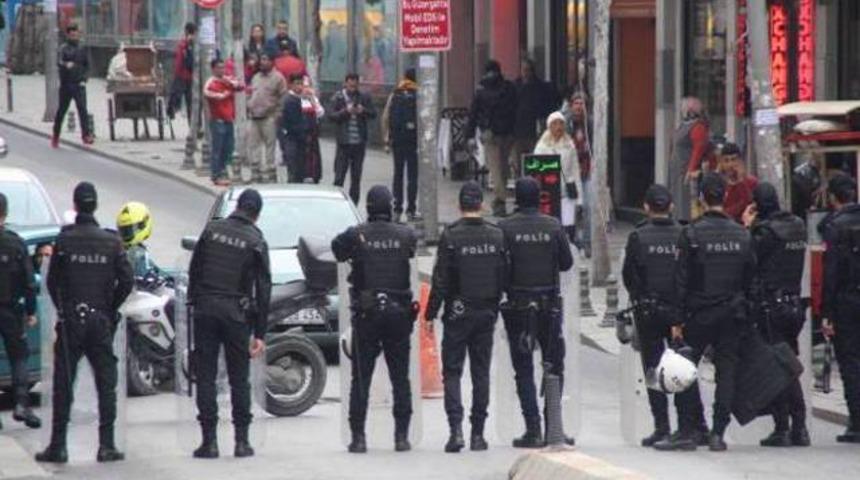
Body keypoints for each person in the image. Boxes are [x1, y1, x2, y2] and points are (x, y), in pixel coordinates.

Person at [36, 182, 134, 464]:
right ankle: (106, 445)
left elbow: (52, 282)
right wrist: (109, 308)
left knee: (64, 384)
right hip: (100, 320)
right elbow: (126, 281)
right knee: (106, 383)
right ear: (96, 205)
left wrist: (64, 310)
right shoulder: (111, 242)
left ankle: (58, 446)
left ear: (76, 205)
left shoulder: (64, 240)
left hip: (71, 322)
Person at [669, 173, 755, 452]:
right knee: (726, 372)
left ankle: (694, 427)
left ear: (702, 199)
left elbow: (681, 281)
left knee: (685, 368)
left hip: (699, 313)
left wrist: (677, 320)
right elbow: (750, 278)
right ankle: (718, 432)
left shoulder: (691, 233)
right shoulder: (742, 234)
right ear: (725, 197)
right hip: (732, 314)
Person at [331, 185, 418, 454]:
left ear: (367, 208)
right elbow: (412, 251)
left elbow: (337, 250)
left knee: (361, 378)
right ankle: (401, 437)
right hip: (398, 315)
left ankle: (358, 438)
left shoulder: (356, 235)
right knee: (400, 378)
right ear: (391, 207)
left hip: (367, 316)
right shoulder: (406, 234)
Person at [187, 189, 271, 459]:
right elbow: (264, 288)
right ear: (256, 214)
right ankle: (242, 442)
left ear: (237, 206)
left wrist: (194, 304)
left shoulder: (212, 230)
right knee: (239, 379)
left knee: (207, 377)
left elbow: (195, 269)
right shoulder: (256, 239)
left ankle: (209, 442)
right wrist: (260, 332)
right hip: (236, 314)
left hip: (206, 310)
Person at [426, 181, 508, 453]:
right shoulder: (496, 236)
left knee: (452, 371)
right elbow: (504, 276)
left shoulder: (451, 236)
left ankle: (456, 431)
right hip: (486, 312)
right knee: (480, 372)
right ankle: (478, 435)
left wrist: (430, 314)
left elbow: (440, 280)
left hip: (458, 313)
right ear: (481, 205)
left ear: (459, 205)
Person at [499, 178, 574, 448]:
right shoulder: (553, 226)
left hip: (519, 306)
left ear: (516, 199)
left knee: (523, 369)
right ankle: (553, 426)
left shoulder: (505, 227)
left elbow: (500, 269)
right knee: (554, 367)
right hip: (549, 307)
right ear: (539, 198)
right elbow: (566, 263)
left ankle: (533, 429)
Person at [741, 182, 810, 447]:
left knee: (779, 369)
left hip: (770, 307)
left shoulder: (765, 232)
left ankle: (786, 427)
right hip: (793, 305)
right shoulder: (798, 226)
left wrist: (748, 226)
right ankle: (798, 427)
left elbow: (749, 260)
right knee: (788, 363)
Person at [621, 184, 691, 447]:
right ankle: (686, 426)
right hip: (678, 313)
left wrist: (641, 299)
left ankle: (661, 426)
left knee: (652, 368)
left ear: (646, 207)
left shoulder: (638, 236)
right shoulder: (684, 233)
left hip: (648, 311)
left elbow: (629, 276)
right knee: (682, 366)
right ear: (671, 206)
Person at [820, 174, 860, 443]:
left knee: (850, 362)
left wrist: (827, 313)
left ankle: (857, 422)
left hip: (847, 303)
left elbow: (831, 273)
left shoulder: (835, 227)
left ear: (833, 197)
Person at [0, 193, 41, 431]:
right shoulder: (15, 243)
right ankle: (21, 404)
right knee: (19, 356)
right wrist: (31, 311)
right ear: (5, 214)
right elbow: (29, 282)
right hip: (11, 310)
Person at [465, 60, 518, 217]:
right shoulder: (509, 87)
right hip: (507, 133)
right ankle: (500, 202)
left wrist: (470, 136)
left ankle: (501, 199)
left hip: (491, 133)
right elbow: (516, 108)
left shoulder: (481, 90)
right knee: (503, 169)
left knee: (495, 169)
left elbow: (473, 114)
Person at [533, 111, 582, 244]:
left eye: (561, 123)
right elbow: (536, 170)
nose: (558, 127)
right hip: (548, 191)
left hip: (566, 190)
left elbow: (575, 169)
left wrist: (579, 197)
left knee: (568, 224)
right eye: (555, 124)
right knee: (550, 224)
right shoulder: (541, 146)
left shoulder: (569, 145)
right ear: (549, 126)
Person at [329, 73, 377, 205]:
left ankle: (353, 204)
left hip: (359, 144)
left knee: (356, 177)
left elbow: (373, 114)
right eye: (350, 85)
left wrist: (363, 111)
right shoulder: (338, 97)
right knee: (339, 176)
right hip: (343, 143)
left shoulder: (364, 97)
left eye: (355, 86)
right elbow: (331, 116)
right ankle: (335, 202)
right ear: (345, 83)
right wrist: (346, 111)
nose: (352, 88)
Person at [381, 68, 419, 222]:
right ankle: (411, 209)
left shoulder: (395, 94)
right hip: (413, 140)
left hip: (397, 140)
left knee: (398, 174)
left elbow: (385, 117)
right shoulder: (419, 94)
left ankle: (397, 209)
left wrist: (386, 140)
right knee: (413, 176)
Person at [512, 59, 558, 178]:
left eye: (527, 70)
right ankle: (520, 181)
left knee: (535, 156)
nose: (525, 73)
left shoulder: (540, 87)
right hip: (518, 128)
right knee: (518, 159)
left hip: (534, 126)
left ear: (532, 71)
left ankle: (534, 181)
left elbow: (545, 105)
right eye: (523, 70)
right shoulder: (515, 86)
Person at [670, 97, 712, 222]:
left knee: (688, 199)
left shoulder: (698, 127)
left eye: (683, 108)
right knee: (678, 196)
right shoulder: (684, 125)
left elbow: (698, 148)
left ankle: (687, 220)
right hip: (678, 168)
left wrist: (691, 168)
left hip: (687, 169)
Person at [247, 52, 287, 183]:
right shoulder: (256, 77)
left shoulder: (278, 78)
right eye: (261, 59)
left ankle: (270, 176)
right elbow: (251, 93)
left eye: (265, 59)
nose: (262, 62)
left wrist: (277, 115)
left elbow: (283, 98)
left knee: (270, 148)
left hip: (269, 118)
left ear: (272, 62)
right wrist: (249, 105)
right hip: (254, 118)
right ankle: (255, 175)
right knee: (254, 147)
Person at [561, 91, 593, 254]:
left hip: (587, 171)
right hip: (570, 174)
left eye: (583, 104)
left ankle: (588, 242)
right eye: (576, 103)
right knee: (571, 208)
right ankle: (573, 241)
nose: (579, 107)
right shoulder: (565, 124)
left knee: (588, 206)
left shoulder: (591, 124)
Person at [52, 24, 93, 148]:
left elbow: (87, 65)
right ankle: (56, 135)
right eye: (72, 35)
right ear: (68, 35)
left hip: (79, 83)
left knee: (83, 110)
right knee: (62, 111)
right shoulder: (63, 48)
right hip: (66, 84)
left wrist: (85, 79)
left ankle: (86, 135)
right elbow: (58, 61)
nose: (75, 37)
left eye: (76, 35)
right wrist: (65, 64)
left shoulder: (82, 48)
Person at [204, 58, 244, 186]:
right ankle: (216, 174)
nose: (222, 70)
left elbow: (240, 86)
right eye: (219, 68)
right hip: (217, 120)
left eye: (223, 67)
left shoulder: (227, 80)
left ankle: (223, 171)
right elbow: (213, 95)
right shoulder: (210, 83)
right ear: (213, 69)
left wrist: (230, 84)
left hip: (229, 119)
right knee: (218, 149)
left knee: (228, 148)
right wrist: (227, 91)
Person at [115, 201, 164, 279]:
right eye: (124, 230)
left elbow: (156, 271)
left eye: (129, 229)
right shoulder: (137, 254)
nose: (126, 234)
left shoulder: (117, 249)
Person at [281, 73, 311, 183]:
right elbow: (293, 123)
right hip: (293, 138)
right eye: (297, 84)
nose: (299, 86)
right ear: (291, 85)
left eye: (301, 84)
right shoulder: (290, 100)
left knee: (300, 169)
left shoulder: (302, 99)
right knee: (294, 169)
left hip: (300, 139)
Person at [718, 143, 758, 223]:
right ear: (721, 163)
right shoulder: (718, 185)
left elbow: (750, 206)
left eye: (733, 159)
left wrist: (741, 181)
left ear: (740, 161)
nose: (730, 165)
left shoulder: (752, 182)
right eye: (726, 161)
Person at [298, 80, 325, 184]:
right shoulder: (297, 100)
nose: (306, 90)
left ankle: (313, 174)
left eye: (308, 87)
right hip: (301, 132)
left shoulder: (314, 100)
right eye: (304, 87)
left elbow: (320, 113)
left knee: (313, 154)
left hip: (312, 132)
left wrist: (313, 101)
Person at [168, 22, 196, 120]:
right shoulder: (197, 44)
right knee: (191, 103)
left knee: (174, 93)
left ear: (186, 31)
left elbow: (179, 62)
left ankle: (173, 111)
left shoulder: (183, 44)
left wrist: (176, 74)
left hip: (182, 75)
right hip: (193, 77)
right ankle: (194, 124)